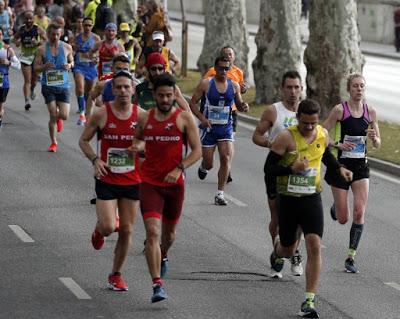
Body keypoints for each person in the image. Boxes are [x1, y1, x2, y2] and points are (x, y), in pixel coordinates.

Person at [266, 99, 353, 318]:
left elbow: (325, 155)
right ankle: (278, 252)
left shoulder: (322, 134)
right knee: (288, 248)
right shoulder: (286, 137)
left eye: (313, 123)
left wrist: (340, 169)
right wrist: (291, 168)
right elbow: (269, 168)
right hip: (289, 199)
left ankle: (309, 301)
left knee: (314, 244)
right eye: (305, 123)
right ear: (298, 119)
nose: (310, 128)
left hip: (311, 198)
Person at [131, 73, 201, 303]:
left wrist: (180, 168)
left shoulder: (184, 119)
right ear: (154, 95)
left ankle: (164, 254)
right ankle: (156, 284)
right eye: (161, 95)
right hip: (150, 183)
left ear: (174, 95)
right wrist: (138, 147)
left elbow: (197, 151)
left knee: (169, 236)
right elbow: (139, 139)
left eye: (169, 95)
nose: (165, 99)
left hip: (174, 185)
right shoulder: (145, 118)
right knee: (152, 232)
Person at [79, 70, 142, 291]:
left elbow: (150, 143)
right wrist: (95, 159)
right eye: (119, 87)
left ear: (133, 90)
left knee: (126, 230)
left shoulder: (142, 116)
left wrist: (141, 147)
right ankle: (99, 230)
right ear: (112, 90)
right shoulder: (101, 114)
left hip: (132, 179)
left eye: (127, 87)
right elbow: (84, 141)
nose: (123, 91)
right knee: (108, 227)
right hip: (107, 177)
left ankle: (116, 274)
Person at [323, 73, 381, 274]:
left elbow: (378, 142)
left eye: (362, 86)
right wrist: (337, 144)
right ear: (349, 89)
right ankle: (336, 207)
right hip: (341, 166)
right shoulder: (340, 110)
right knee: (342, 218)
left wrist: (374, 138)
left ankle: (350, 257)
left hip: (360, 167)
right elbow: (321, 132)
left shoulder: (370, 112)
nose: (359, 89)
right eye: (355, 86)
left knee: (359, 211)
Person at [252, 70, 304, 278]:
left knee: (299, 219)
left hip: (299, 173)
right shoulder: (273, 111)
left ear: (301, 89)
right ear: (282, 89)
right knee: (278, 218)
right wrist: (270, 143)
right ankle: (280, 252)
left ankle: (294, 251)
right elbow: (256, 136)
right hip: (276, 171)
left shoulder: (306, 112)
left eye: (296, 87)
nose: (293, 92)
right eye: (289, 87)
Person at [189, 55, 249, 205]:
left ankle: (220, 194)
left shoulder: (234, 86)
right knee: (209, 163)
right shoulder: (206, 84)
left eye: (226, 68)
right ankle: (204, 167)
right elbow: (192, 103)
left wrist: (244, 107)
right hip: (208, 128)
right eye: (221, 68)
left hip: (225, 128)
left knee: (226, 157)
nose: (223, 71)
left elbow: (240, 104)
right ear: (215, 69)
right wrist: (202, 118)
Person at [203, 45, 247, 183]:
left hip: (230, 111)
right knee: (211, 153)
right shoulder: (211, 71)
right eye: (226, 54)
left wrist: (243, 93)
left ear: (234, 57)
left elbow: (240, 90)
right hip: (211, 114)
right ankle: (206, 164)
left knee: (229, 144)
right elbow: (205, 87)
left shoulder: (238, 72)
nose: (228, 56)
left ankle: (227, 169)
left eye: (230, 54)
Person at [33, 22, 74, 152]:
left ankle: (59, 119)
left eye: (57, 34)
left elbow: (72, 61)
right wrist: (44, 67)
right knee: (52, 114)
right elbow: (36, 68)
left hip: (63, 86)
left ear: (60, 34)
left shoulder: (67, 47)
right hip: (48, 86)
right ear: (48, 34)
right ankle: (53, 142)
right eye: (52, 34)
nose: (55, 37)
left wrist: (69, 65)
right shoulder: (41, 49)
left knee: (65, 115)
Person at [13, 10, 46, 111]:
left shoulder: (37, 29)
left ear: (33, 18)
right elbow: (15, 39)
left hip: (36, 57)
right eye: (27, 18)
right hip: (25, 57)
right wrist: (17, 42)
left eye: (31, 18)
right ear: (24, 19)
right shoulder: (21, 29)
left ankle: (32, 89)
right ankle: (27, 101)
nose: (29, 20)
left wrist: (38, 42)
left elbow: (46, 40)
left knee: (34, 80)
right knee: (27, 80)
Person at [72, 16, 100, 125]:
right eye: (85, 25)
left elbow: (99, 52)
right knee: (80, 88)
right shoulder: (77, 37)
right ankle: (82, 114)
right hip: (79, 66)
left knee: (88, 92)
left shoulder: (96, 38)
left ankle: (86, 108)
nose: (87, 27)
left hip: (90, 67)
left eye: (89, 25)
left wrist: (96, 58)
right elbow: (71, 50)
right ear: (82, 25)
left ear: (92, 26)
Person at [86, 53, 130, 118]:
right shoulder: (103, 84)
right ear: (112, 69)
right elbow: (91, 97)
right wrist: (88, 118)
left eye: (125, 69)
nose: (122, 72)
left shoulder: (135, 85)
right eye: (118, 69)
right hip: (108, 122)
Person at [0, 28, 21, 128]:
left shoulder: (8, 50)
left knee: (0, 106)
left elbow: (18, 65)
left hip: (3, 81)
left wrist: (8, 63)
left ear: (2, 36)